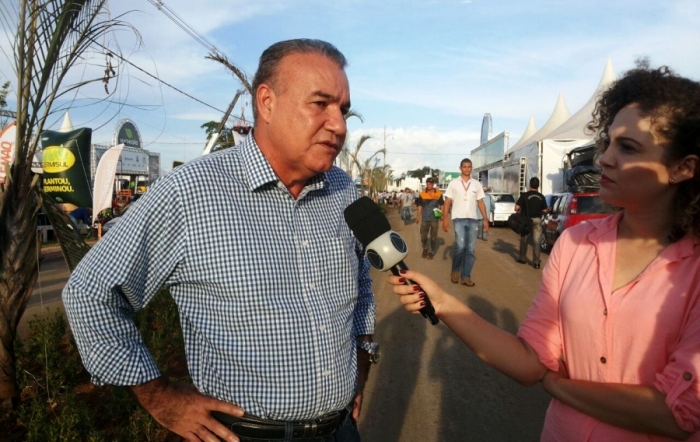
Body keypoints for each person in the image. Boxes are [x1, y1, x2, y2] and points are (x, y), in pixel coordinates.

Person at [63, 39, 377, 442]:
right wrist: (160, 398)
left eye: (343, 109)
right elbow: (91, 292)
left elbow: (362, 280)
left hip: (340, 431)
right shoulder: (189, 194)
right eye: (320, 104)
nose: (340, 125)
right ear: (267, 102)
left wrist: (364, 356)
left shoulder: (343, 190)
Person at [388, 65, 700, 440]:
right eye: (609, 142)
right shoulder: (575, 244)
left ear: (684, 168)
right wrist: (441, 302)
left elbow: (678, 412)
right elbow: (530, 362)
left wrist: (558, 386)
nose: (604, 158)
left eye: (628, 148)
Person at [442, 159, 490, 286]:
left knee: (470, 249)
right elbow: (447, 202)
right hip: (458, 218)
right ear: (460, 168)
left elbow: (480, 202)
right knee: (460, 247)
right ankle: (455, 271)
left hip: (473, 220)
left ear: (471, 168)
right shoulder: (453, 183)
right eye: (464, 167)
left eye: (469, 167)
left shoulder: (476, 184)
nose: (467, 169)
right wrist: (444, 219)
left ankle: (466, 276)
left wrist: (485, 219)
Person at [514, 177, 548, 268]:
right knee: (537, 242)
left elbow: (516, 208)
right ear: (538, 186)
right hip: (537, 220)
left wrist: (522, 208)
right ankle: (536, 262)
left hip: (526, 221)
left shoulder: (524, 195)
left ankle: (522, 258)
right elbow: (544, 210)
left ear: (530, 185)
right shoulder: (541, 196)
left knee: (524, 239)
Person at [415, 176, 444, 259]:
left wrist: (441, 215)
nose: (429, 185)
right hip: (425, 218)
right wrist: (418, 216)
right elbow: (420, 205)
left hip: (434, 219)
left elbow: (442, 204)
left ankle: (431, 252)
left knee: (433, 237)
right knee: (423, 236)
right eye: (428, 184)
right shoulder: (422, 194)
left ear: (433, 184)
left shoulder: (438, 193)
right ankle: (425, 248)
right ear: (426, 184)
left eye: (431, 184)